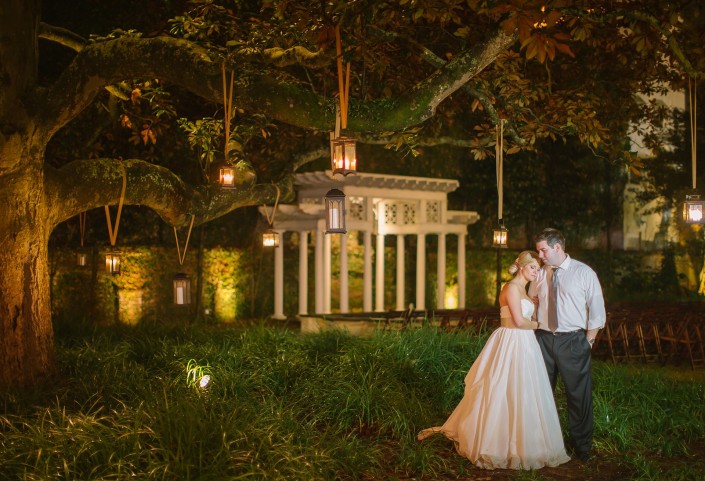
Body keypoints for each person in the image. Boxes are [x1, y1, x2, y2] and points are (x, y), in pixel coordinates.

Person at [418, 251, 570, 470]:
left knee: (525, 390)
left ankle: (528, 442)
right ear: (521, 267)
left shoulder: (525, 291)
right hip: (511, 341)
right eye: (533, 268)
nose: (537, 272)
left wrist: (534, 308)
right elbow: (518, 322)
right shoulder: (510, 288)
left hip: (526, 344)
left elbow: (527, 318)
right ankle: (497, 442)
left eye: (538, 268)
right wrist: (542, 326)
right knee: (500, 388)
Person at [530, 228, 606, 463]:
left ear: (557, 248)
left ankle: (582, 448)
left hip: (573, 340)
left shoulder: (584, 273)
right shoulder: (540, 274)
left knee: (578, 396)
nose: (540, 255)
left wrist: (588, 341)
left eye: (543, 250)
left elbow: (597, 310)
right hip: (542, 339)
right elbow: (532, 303)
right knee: (540, 394)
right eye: (538, 251)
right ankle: (541, 443)